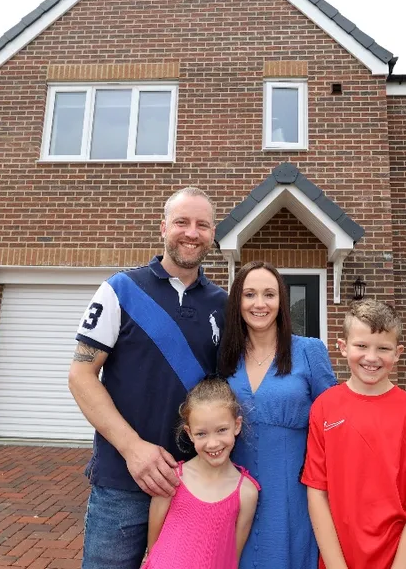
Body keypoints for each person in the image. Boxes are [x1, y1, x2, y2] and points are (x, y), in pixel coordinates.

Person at [68, 187, 227, 569]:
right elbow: (81, 375)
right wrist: (133, 449)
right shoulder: (119, 289)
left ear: (213, 234)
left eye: (202, 225)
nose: (192, 232)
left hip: (192, 483)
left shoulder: (223, 304)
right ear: (163, 228)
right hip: (121, 482)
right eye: (182, 222)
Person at [301, 299, 406, 569]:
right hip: (339, 559)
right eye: (361, 346)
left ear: (397, 353)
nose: (372, 357)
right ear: (343, 347)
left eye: (383, 348)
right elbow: (317, 494)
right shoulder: (324, 408)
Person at [217, 260, 337, 569]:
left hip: (292, 489)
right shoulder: (225, 357)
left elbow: (334, 421)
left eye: (269, 294)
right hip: (233, 487)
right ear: (237, 302)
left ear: (281, 301)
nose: (260, 303)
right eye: (250, 294)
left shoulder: (310, 351)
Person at [142, 378, 260, 569]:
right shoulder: (173, 478)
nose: (213, 443)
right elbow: (153, 542)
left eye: (221, 430)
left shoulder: (246, 492)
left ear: (237, 425)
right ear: (189, 433)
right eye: (201, 434)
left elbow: (232, 556)